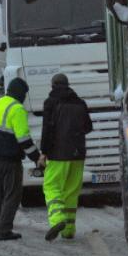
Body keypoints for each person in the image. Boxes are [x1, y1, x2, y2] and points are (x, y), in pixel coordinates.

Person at [39, 72, 93, 241]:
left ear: (53, 85)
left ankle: (57, 220)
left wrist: (44, 152)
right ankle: (68, 230)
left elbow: (47, 130)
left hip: (57, 154)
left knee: (51, 186)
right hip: (78, 154)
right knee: (71, 192)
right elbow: (88, 127)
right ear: (67, 84)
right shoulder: (80, 103)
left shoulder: (51, 102)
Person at [0, 77, 40, 241]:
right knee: (12, 195)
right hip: (10, 160)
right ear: (20, 93)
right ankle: (4, 230)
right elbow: (24, 139)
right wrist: (37, 158)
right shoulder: (17, 109)